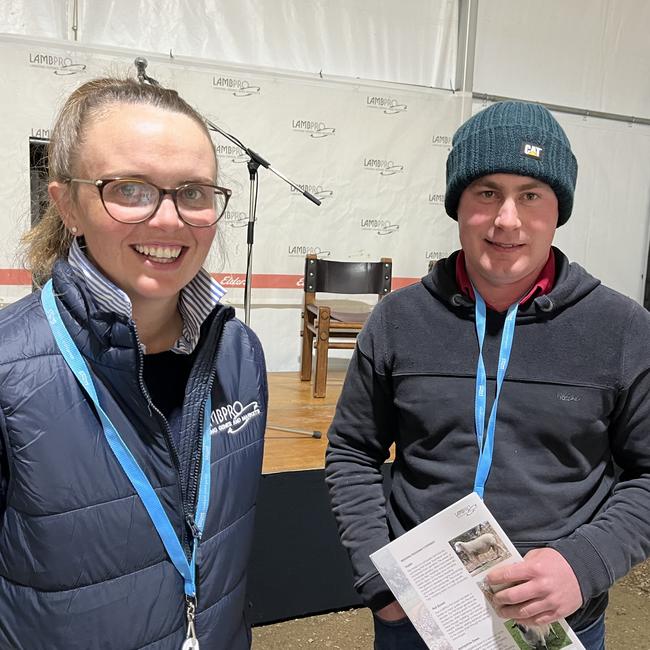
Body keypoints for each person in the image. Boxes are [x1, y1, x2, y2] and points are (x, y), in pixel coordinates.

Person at [325, 101, 650, 650]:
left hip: (556, 620)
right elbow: (353, 450)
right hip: (418, 615)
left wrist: (583, 565)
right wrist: (381, 582)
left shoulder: (620, 328)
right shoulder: (399, 320)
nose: (507, 220)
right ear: (457, 205)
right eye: (486, 193)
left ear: (557, 209)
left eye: (531, 195)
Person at [0, 78, 267, 649]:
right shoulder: (8, 370)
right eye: (130, 189)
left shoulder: (240, 353)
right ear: (67, 204)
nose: (170, 220)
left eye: (193, 192)